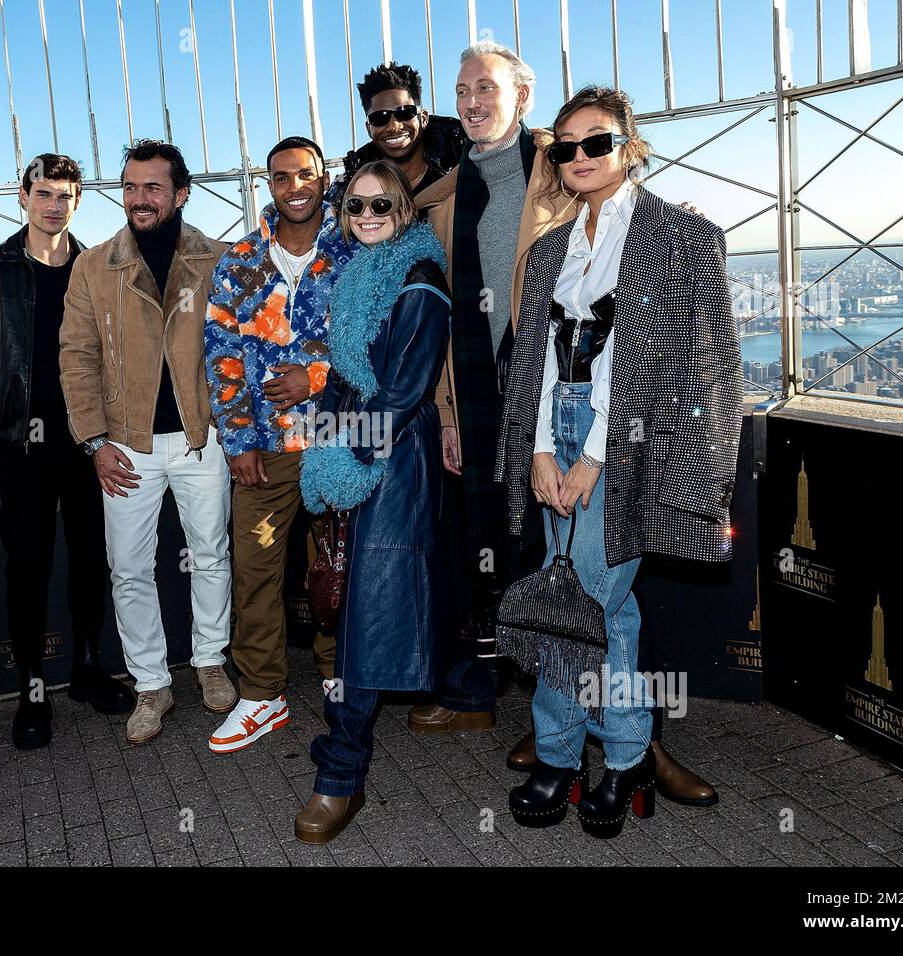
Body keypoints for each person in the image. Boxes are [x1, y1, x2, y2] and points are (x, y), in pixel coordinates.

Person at [497, 86, 742, 837]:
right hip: (557, 427)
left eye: (595, 142)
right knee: (600, 604)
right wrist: (541, 445)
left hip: (634, 442)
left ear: (630, 146)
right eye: (562, 146)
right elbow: (536, 360)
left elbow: (697, 365)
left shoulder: (685, 238)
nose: (578, 158)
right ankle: (629, 762)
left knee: (583, 604)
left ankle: (563, 756)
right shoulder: (547, 250)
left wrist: (594, 458)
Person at [0, 153, 133, 750]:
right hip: (22, 450)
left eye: (66, 195)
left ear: (78, 201)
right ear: (22, 196)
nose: (54, 205)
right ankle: (31, 689)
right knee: (26, 568)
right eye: (44, 193)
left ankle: (85, 667)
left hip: (89, 443)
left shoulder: (97, 268)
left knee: (89, 560)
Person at [293, 161, 451, 844]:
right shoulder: (358, 274)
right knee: (359, 601)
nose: (366, 216)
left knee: (368, 613)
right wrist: (322, 446)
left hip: (395, 457)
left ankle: (341, 775)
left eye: (380, 204)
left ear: (405, 207)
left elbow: (402, 391)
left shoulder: (422, 279)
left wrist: (347, 455)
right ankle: (347, 748)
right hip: (356, 445)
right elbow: (340, 377)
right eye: (354, 206)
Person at [412, 41, 565, 737]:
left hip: (552, 388)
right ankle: (476, 691)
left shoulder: (564, 172)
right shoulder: (443, 200)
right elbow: (442, 318)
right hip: (475, 396)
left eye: (487, 88)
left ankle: (554, 718)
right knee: (478, 543)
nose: (472, 102)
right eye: (463, 89)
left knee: (552, 549)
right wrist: (445, 413)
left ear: (522, 98)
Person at [59, 140, 234, 745]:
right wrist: (94, 443)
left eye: (153, 187)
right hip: (125, 445)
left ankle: (210, 662)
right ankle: (151, 685)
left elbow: (239, 350)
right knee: (129, 568)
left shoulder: (217, 259)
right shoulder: (94, 266)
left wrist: (226, 428)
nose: (139, 199)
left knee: (210, 552)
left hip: (198, 438)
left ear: (180, 194)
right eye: (131, 187)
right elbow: (76, 359)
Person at [204, 136, 355, 754]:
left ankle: (338, 679)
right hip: (264, 448)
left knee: (338, 567)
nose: (294, 187)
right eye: (281, 177)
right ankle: (262, 694)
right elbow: (222, 356)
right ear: (269, 186)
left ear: (323, 178)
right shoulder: (240, 261)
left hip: (339, 441)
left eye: (305, 175)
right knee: (257, 571)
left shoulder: (355, 250)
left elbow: (381, 343)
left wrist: (313, 374)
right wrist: (237, 439)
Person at [326, 61, 468, 203]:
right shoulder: (351, 182)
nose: (394, 127)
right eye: (380, 117)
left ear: (423, 118)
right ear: (369, 129)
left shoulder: (463, 156)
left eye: (405, 113)